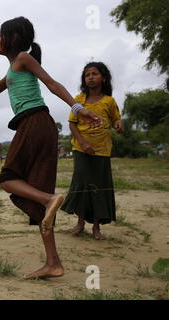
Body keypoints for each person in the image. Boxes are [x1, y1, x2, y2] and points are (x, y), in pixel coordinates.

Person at [0, 17, 102, 279]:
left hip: (34, 121)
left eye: (0, 35)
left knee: (7, 179)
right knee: (37, 196)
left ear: (14, 38)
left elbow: (52, 84)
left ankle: (49, 199)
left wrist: (78, 108)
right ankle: (53, 262)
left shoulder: (24, 59)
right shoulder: (12, 71)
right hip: (37, 125)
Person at [61, 62, 123, 240]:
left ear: (103, 77)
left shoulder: (109, 101)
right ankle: (80, 223)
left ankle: (96, 227)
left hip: (101, 151)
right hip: (81, 149)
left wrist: (119, 125)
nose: (90, 77)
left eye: (94, 74)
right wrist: (82, 143)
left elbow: (116, 120)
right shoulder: (78, 100)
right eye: (87, 75)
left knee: (98, 187)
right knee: (82, 185)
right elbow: (72, 124)